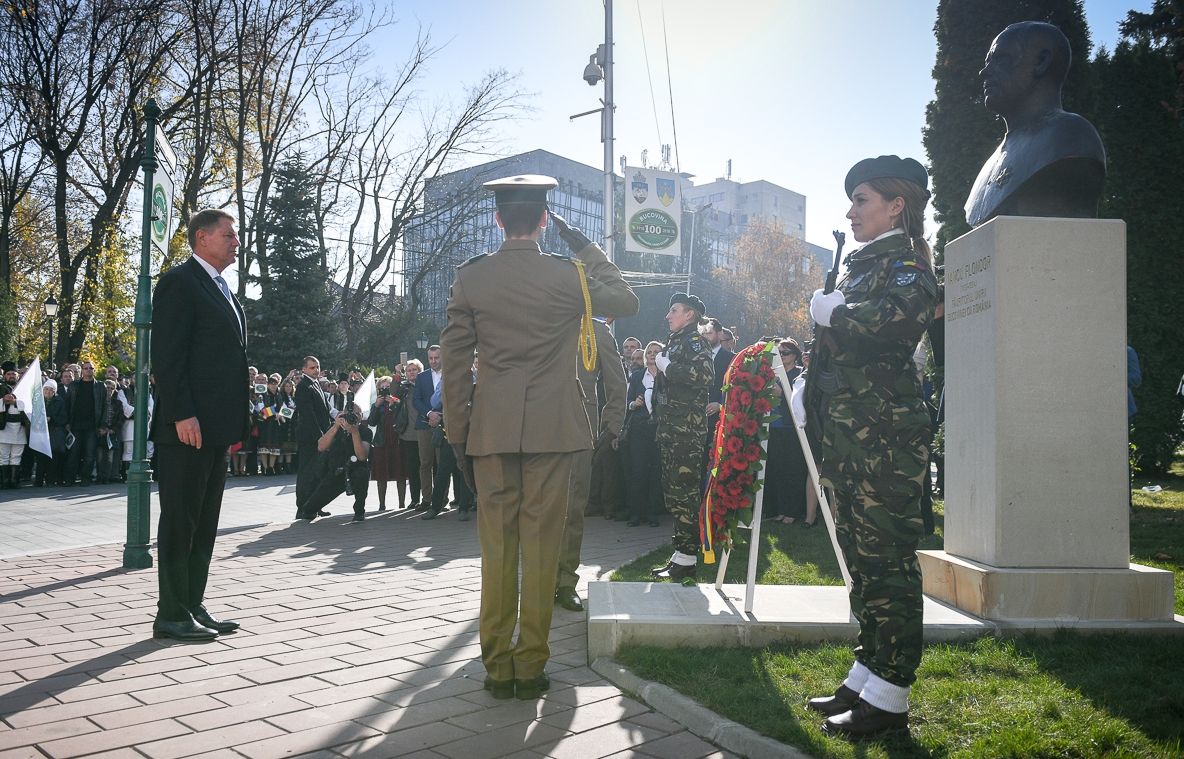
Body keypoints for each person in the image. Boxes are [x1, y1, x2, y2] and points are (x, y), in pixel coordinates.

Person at [440, 174, 638, 701]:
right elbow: (626, 300)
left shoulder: (471, 277)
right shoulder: (570, 276)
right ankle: (530, 665)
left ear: (498, 219)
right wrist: (584, 245)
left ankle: (496, 666)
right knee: (544, 546)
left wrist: (458, 432)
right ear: (545, 220)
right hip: (555, 429)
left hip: (491, 430)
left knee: (497, 549)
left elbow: (455, 364)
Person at [793, 155, 939, 738]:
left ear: (896, 205)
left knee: (888, 567)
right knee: (861, 563)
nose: (852, 212)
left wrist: (840, 312)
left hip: (886, 442)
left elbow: (897, 322)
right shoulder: (864, 264)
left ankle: (890, 698)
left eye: (862, 200)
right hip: (853, 438)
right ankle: (866, 675)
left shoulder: (906, 264)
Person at [149, 208, 250, 642]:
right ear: (201, 238)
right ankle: (171, 613)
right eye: (229, 235)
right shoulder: (180, 282)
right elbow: (167, 356)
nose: (236, 242)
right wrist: (180, 413)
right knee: (181, 520)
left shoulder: (222, 288)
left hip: (214, 429)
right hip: (186, 428)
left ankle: (192, 603)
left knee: (204, 522)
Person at [555, 317, 626, 612]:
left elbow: (616, 381)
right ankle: (538, 579)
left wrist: (611, 425)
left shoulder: (596, 331)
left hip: (579, 429)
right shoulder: (539, 318)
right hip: (534, 428)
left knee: (572, 509)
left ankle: (564, 582)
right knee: (534, 508)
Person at [650, 293, 714, 581]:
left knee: (684, 494)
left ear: (689, 315)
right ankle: (680, 555)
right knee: (674, 494)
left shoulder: (695, 341)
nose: (668, 315)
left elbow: (704, 376)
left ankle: (688, 559)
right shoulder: (676, 341)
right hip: (671, 429)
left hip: (686, 431)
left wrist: (668, 367)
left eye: (673, 310)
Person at [298, 402, 371, 522]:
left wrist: (354, 432)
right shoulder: (335, 428)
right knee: (308, 510)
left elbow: (362, 456)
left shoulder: (365, 431)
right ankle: (313, 509)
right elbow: (321, 447)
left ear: (362, 416)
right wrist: (336, 426)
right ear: (343, 414)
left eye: (358, 414)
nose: (355, 416)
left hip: (355, 471)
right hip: (336, 472)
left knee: (363, 473)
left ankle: (359, 511)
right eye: (351, 414)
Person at [764, 339, 810, 525]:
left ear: (795, 355)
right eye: (779, 352)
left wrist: (782, 394)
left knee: (793, 470)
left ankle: (793, 511)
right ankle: (781, 510)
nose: (781, 356)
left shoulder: (799, 373)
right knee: (778, 470)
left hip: (793, 429)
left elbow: (801, 401)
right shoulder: (773, 374)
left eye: (785, 353)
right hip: (774, 427)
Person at [622, 341, 664, 526]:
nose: (652, 355)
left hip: (659, 430)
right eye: (650, 352)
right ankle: (635, 513)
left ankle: (652, 513)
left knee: (655, 471)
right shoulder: (637, 377)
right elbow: (628, 403)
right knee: (638, 471)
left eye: (656, 352)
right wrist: (635, 404)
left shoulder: (667, 376)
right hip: (639, 429)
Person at [295, 356, 332, 515]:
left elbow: (326, 410)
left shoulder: (316, 383)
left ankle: (315, 505)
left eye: (317, 367)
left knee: (318, 472)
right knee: (307, 473)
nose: (316, 370)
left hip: (321, 436)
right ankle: (302, 507)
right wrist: (320, 437)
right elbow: (308, 415)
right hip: (310, 438)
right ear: (304, 369)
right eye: (312, 367)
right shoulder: (303, 386)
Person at [367, 375, 409, 511]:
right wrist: (376, 406)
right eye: (382, 387)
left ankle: (402, 504)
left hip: (397, 440)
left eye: (388, 387)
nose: (385, 389)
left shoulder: (398, 401)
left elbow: (403, 419)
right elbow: (371, 422)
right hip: (381, 441)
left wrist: (394, 404)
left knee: (400, 474)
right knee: (381, 475)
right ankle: (381, 505)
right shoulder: (376, 403)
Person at [413, 346, 443, 510]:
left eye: (436, 358)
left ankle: (442, 499)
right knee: (425, 463)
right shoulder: (421, 377)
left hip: (444, 424)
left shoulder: (449, 374)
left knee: (442, 464)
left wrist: (440, 416)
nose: (433, 361)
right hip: (424, 424)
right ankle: (426, 499)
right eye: (430, 358)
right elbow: (416, 400)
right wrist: (430, 413)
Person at [398, 360, 423, 509]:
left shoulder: (425, 385)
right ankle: (415, 499)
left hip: (426, 431)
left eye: (414, 370)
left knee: (429, 467)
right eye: (409, 370)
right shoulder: (404, 388)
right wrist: (397, 374)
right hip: (408, 434)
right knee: (413, 469)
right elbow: (393, 393)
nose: (411, 372)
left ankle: (431, 498)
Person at [0, 364, 29, 489]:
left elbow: (29, 404)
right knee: (3, 455)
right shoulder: (1, 388)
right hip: (4, 426)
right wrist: (3, 400)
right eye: (9, 374)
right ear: (4, 376)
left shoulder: (24, 389)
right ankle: (4, 481)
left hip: (20, 426)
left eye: (13, 374)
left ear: (18, 375)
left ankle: (14, 481)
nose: (11, 376)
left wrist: (15, 402)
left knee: (16, 455)